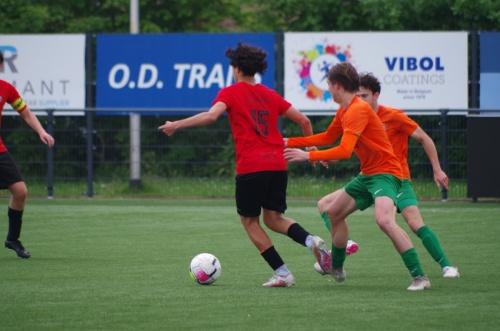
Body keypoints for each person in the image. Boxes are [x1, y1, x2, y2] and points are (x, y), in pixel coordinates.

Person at [159, 42, 330, 287]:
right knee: (273, 218)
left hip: (252, 166)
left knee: (250, 221)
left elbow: (210, 116)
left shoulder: (230, 92)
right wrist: (311, 148)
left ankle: (283, 274)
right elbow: (303, 120)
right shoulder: (270, 94)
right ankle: (310, 241)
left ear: (237, 68)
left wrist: (176, 125)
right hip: (277, 164)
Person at [283, 62, 431, 291]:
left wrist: (307, 157)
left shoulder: (357, 109)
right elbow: (326, 137)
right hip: (368, 174)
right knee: (332, 213)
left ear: (336, 85)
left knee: (384, 220)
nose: (328, 91)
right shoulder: (345, 109)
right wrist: (286, 142)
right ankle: (338, 268)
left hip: (386, 173)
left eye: (329, 86)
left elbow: (344, 150)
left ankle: (420, 277)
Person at [319, 72, 459, 278]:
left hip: (397, 179)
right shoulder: (355, 114)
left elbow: (424, 138)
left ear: (376, 95)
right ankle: (343, 247)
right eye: (357, 95)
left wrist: (437, 169)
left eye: (364, 95)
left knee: (413, 223)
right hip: (369, 178)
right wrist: (329, 158)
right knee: (326, 206)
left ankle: (446, 266)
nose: (359, 99)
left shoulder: (393, 116)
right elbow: (348, 149)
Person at [0, 50, 55, 258]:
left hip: (0, 150)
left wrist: (41, 131)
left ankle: (12, 239)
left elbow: (25, 112)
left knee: (20, 191)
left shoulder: (6, 88)